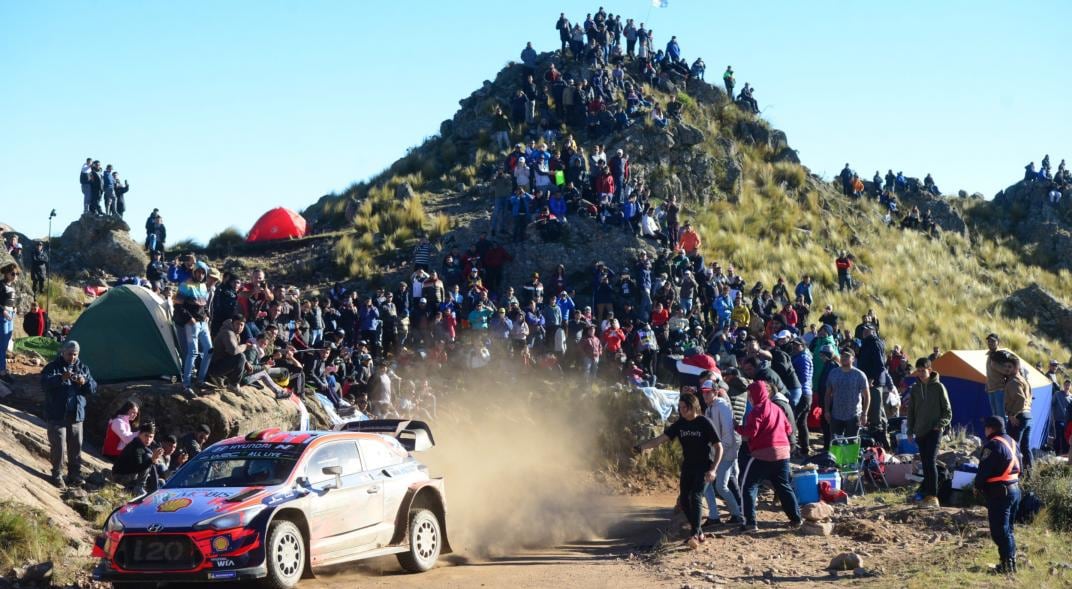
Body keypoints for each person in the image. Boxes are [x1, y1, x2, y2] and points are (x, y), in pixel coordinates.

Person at [634, 392, 722, 544]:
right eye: (679, 407)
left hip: (703, 466)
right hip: (688, 466)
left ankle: (694, 534)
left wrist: (713, 469)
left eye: (683, 407)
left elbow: (719, 447)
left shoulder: (704, 422)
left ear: (693, 407)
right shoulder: (680, 424)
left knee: (695, 496)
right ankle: (699, 533)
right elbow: (660, 440)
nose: (680, 410)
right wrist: (641, 447)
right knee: (684, 500)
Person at [735, 380, 802, 533]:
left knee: (748, 486)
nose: (749, 399)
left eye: (750, 395)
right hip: (783, 452)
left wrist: (737, 427)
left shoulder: (757, 410)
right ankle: (796, 519)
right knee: (783, 485)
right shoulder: (776, 407)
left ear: (754, 395)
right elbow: (789, 428)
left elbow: (751, 432)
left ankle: (750, 523)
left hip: (763, 453)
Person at [41, 340, 97, 488]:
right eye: (69, 354)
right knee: (58, 446)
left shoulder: (83, 368)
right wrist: (61, 378)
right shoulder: (53, 367)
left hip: (76, 415)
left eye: (75, 354)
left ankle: (74, 474)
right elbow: (44, 384)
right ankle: (57, 474)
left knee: (76, 446)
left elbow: (93, 388)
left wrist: (84, 382)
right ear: (62, 352)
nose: (72, 357)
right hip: (57, 414)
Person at [974, 416, 1022, 575]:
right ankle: (1010, 562)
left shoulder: (993, 445)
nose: (984, 430)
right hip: (1014, 489)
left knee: (999, 531)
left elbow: (983, 470)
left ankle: (1007, 566)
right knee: (1008, 529)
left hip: (1000, 493)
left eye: (986, 427)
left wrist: (977, 486)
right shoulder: (1013, 442)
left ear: (991, 428)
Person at [906, 358, 952, 508]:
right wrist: (910, 430)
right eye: (918, 371)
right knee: (925, 463)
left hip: (934, 430)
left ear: (930, 370)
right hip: (920, 431)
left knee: (931, 461)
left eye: (923, 370)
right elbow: (911, 412)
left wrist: (940, 425)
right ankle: (926, 494)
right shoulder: (914, 388)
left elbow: (947, 411)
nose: (920, 373)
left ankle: (933, 496)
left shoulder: (939, 387)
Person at [701, 380, 743, 525]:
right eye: (703, 392)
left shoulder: (722, 406)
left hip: (728, 451)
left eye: (708, 392)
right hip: (718, 451)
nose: (705, 395)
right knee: (707, 484)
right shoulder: (709, 409)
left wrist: (717, 456)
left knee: (721, 486)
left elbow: (728, 436)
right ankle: (714, 516)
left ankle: (737, 514)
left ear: (715, 391)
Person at [174, 262, 213, 397]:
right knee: (193, 352)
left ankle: (200, 380)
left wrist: (207, 315)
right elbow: (177, 304)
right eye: (198, 272)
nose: (200, 275)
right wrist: (189, 318)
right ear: (194, 271)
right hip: (192, 324)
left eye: (203, 272)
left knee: (209, 350)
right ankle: (186, 384)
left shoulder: (203, 286)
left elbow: (204, 304)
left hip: (203, 323)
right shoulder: (185, 285)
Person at [997, 351, 1033, 476]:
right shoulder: (1023, 380)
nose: (1007, 369)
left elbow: (1020, 399)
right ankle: (1029, 475)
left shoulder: (1013, 382)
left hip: (1018, 416)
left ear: (1016, 368)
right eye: (1005, 366)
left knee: (1013, 447)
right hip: (1027, 416)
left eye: (1010, 367)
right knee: (1025, 447)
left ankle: (1016, 474)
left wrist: (1011, 415)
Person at [824, 349, 870, 439]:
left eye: (847, 356)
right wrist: (827, 411)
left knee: (851, 444)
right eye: (842, 356)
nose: (843, 358)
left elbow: (867, 396)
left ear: (853, 359)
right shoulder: (833, 373)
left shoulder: (859, 375)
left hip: (853, 416)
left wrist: (864, 414)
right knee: (835, 444)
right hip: (836, 415)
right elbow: (828, 394)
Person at [113, 422, 164, 495]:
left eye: (151, 437)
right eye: (146, 435)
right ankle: (138, 488)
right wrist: (152, 460)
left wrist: (154, 460)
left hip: (133, 475)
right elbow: (138, 467)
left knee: (161, 482)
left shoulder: (147, 447)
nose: (148, 439)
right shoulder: (136, 446)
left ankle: (149, 489)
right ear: (140, 434)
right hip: (121, 476)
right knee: (149, 457)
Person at [985, 333, 1012, 417]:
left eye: (993, 341)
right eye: (989, 341)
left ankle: (1004, 430)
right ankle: (999, 430)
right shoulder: (989, 355)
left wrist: (996, 366)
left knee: (1002, 415)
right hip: (991, 389)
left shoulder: (1001, 354)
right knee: (995, 416)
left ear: (998, 342)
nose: (990, 343)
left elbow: (1008, 370)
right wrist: (987, 385)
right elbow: (989, 372)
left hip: (1000, 389)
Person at [0, 262, 18, 384]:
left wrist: (15, 308)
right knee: (1, 344)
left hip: (10, 314)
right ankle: (1, 371)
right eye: (13, 273)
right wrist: (2, 311)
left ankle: (3, 368)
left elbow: (11, 300)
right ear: (6, 273)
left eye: (17, 274)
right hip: (3, 315)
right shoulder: (1, 285)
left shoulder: (12, 286)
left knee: (6, 343)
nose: (15, 276)